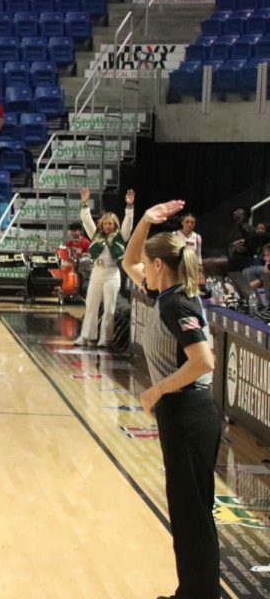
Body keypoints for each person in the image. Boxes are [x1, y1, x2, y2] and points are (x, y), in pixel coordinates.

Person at [119, 197, 220, 599]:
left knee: (192, 512)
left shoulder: (176, 303)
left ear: (159, 266)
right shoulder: (166, 293)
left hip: (188, 411)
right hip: (183, 413)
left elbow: (204, 361)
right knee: (186, 510)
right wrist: (144, 219)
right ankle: (193, 591)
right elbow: (129, 260)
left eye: (149, 260)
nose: (143, 264)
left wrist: (156, 389)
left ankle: (199, 594)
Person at [74, 187, 136, 347]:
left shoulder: (121, 236)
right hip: (97, 272)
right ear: (102, 224)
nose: (108, 226)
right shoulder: (96, 235)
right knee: (91, 306)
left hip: (112, 273)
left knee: (110, 308)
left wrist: (129, 207)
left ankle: (105, 338)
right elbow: (86, 220)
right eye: (106, 223)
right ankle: (86, 336)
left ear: (115, 224)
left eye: (111, 223)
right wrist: (85, 203)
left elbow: (128, 225)